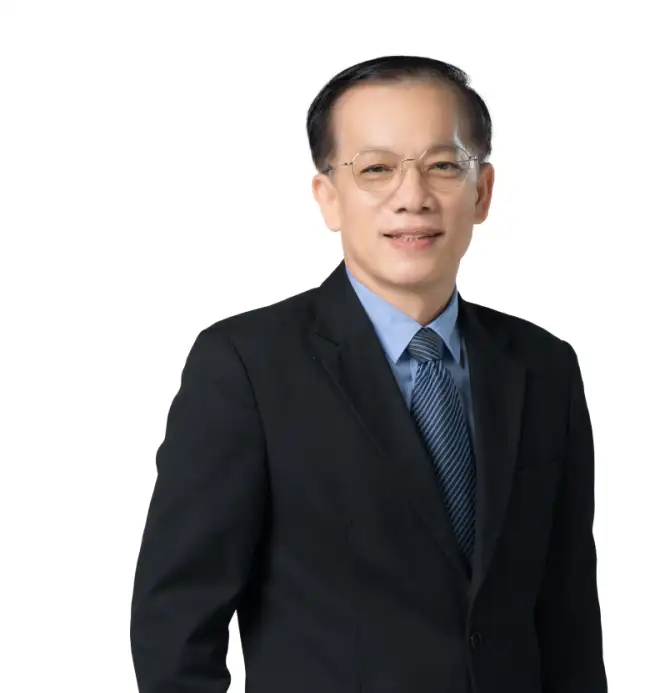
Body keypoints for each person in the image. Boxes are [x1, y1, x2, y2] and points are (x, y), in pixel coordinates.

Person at [129, 55, 607, 693]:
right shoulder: (245, 367)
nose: (412, 197)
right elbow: (176, 626)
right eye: (376, 169)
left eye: (443, 165)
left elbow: (568, 613)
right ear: (329, 197)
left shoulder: (544, 367)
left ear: (482, 191)